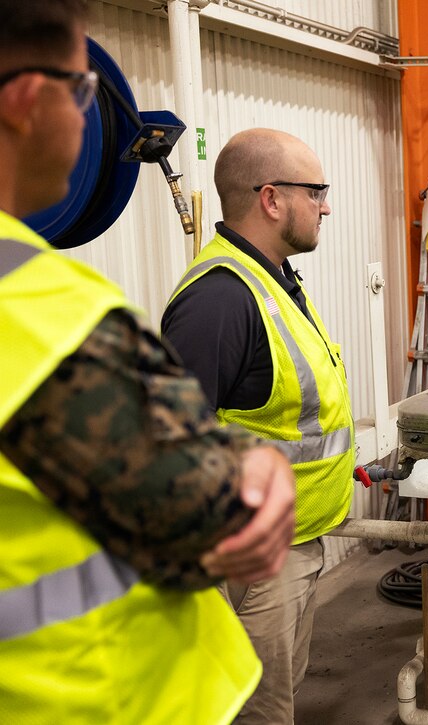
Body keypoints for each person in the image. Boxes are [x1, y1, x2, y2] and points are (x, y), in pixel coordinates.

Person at [0, 2, 296, 723]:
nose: (88, 121)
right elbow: (205, 516)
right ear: (26, 102)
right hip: (104, 696)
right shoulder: (39, 311)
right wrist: (253, 468)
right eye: (80, 91)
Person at [162, 128, 356, 724]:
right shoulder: (220, 300)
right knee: (257, 713)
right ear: (272, 200)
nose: (326, 205)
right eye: (316, 191)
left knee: (279, 695)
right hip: (254, 565)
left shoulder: (273, 277)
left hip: (292, 546)